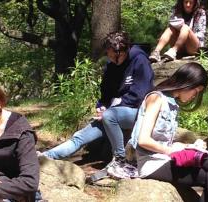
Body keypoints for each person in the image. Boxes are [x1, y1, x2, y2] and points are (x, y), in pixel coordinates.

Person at [40, 31, 154, 178]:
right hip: (111, 115)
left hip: (137, 113)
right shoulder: (110, 66)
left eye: (116, 55)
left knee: (109, 116)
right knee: (79, 137)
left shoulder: (140, 60)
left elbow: (139, 95)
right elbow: (105, 94)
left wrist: (110, 110)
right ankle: (45, 156)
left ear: (125, 50)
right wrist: (102, 107)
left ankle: (120, 160)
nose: (112, 59)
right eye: (110, 55)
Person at [129, 62, 208, 202]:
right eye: (195, 91)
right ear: (188, 83)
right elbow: (143, 140)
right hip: (152, 164)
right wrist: (171, 150)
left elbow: (161, 140)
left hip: (164, 159)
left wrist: (185, 147)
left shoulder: (172, 104)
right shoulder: (156, 98)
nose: (194, 96)